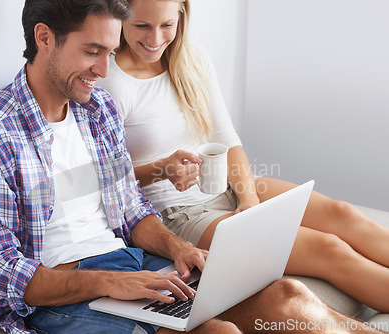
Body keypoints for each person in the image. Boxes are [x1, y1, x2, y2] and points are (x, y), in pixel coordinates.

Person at [0, 0, 386, 333]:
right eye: (92, 51)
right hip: (61, 288)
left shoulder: (97, 112)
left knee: (287, 296)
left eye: (109, 53)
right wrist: (108, 284)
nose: (102, 69)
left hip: (131, 264)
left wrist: (177, 249)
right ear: (43, 38)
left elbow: (132, 210)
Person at [97, 0, 389, 314]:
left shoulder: (192, 59)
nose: (155, 38)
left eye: (167, 25)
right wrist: (162, 170)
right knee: (328, 248)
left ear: (181, 16)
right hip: (179, 213)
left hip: (225, 184)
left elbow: (226, 140)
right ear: (121, 17)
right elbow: (107, 177)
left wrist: (248, 200)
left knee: (342, 213)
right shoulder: (110, 81)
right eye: (142, 26)